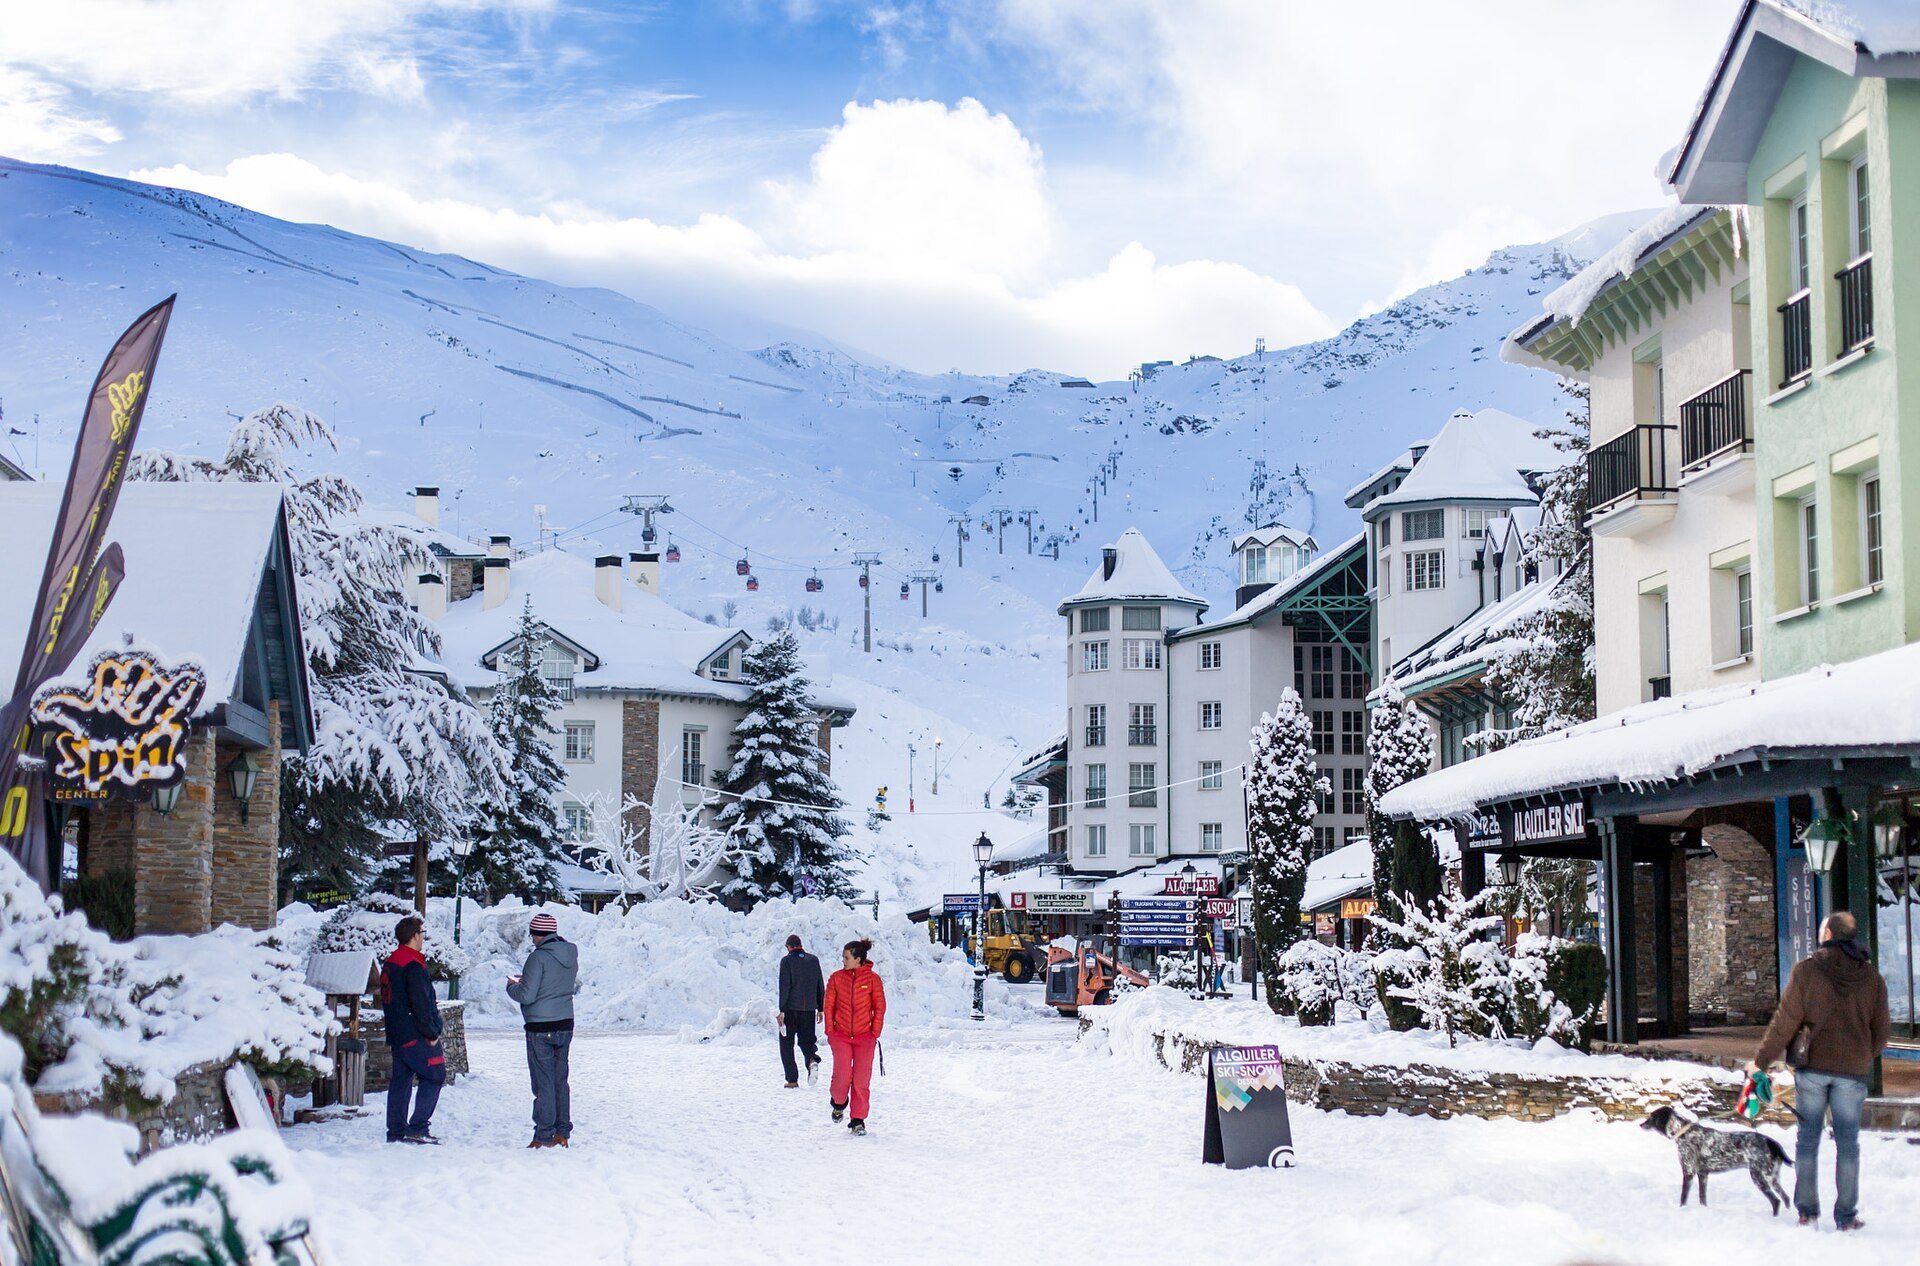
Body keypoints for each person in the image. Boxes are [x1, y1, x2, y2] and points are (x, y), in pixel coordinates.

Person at [1749, 910, 1891, 1230]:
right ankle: (1846, 1217)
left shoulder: (1806, 972)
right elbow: (1882, 1031)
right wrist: (1862, 1055)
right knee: (1848, 1144)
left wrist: (1760, 1062)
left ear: (1828, 935)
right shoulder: (1872, 979)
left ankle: (1808, 1212)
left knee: (1808, 1140)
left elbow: (1785, 1022)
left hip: (1811, 1069)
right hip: (1852, 1073)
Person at [506, 911, 580, 1150]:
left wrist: (512, 986)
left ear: (537, 934)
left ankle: (543, 1135)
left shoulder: (537, 958)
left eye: (533, 934)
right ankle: (562, 1132)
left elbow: (527, 995)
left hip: (540, 1027)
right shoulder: (570, 954)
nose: (532, 939)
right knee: (560, 1081)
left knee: (543, 1082)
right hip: (565, 1023)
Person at [379, 915, 446, 1144]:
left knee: (401, 1080)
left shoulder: (391, 962)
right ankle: (418, 1127)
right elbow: (421, 1004)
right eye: (422, 934)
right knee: (435, 1075)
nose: (423, 938)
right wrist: (432, 1032)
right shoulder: (413, 965)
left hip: (397, 1033)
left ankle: (396, 1130)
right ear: (415, 936)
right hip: (415, 1034)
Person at [823, 938, 886, 1136]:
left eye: (847, 957)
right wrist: (830, 1032)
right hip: (840, 1035)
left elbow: (880, 1007)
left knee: (861, 1080)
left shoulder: (873, 980)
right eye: (843, 957)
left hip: (864, 1037)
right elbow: (828, 1006)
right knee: (842, 1075)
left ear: (858, 959)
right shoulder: (836, 978)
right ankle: (839, 1103)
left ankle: (858, 1120)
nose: (843, 960)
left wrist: (874, 1032)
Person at [778, 934, 825, 1089]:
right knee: (807, 1041)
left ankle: (792, 1080)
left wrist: (782, 1009)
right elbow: (820, 984)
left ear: (789, 947)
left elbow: (785, 986)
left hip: (790, 1009)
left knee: (786, 1043)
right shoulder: (813, 960)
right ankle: (811, 1060)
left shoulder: (786, 961)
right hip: (809, 1009)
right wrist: (821, 1008)